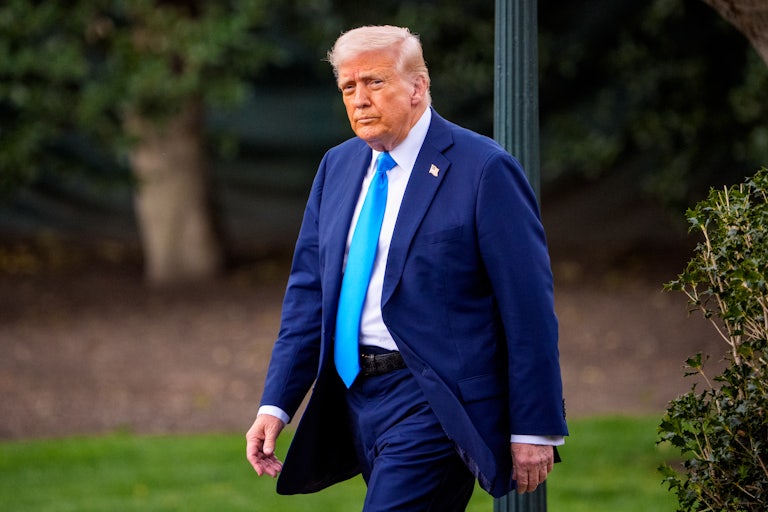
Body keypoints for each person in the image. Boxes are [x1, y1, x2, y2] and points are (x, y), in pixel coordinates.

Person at [246, 25, 568, 511]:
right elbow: (309, 296)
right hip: (353, 396)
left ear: (418, 87)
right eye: (348, 87)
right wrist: (276, 404)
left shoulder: (484, 168)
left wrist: (535, 426)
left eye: (374, 82)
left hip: (435, 400)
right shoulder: (337, 166)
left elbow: (528, 307)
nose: (359, 99)